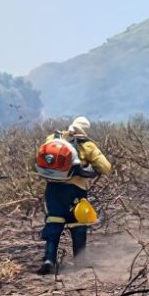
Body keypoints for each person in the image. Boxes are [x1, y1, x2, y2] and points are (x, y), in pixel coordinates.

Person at [37, 117, 112, 275]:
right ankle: (79, 261)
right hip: (75, 190)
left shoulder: (52, 138)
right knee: (78, 223)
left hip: (52, 189)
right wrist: (91, 170)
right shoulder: (87, 145)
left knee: (54, 221)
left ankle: (49, 259)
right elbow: (106, 167)